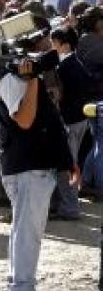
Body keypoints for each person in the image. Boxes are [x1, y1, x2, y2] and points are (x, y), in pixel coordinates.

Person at [0, 57, 76, 291]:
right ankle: (22, 286)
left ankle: (18, 284)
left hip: (34, 167)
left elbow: (49, 121)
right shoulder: (10, 79)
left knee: (24, 231)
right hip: (27, 169)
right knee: (28, 234)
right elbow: (25, 120)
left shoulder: (20, 78)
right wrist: (33, 80)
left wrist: (67, 161)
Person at [50, 26, 94, 221]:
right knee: (71, 162)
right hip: (80, 119)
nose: (53, 47)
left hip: (70, 120)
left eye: (55, 43)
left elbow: (61, 96)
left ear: (64, 44)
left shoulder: (66, 66)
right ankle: (67, 204)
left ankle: (69, 207)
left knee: (66, 165)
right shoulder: (76, 62)